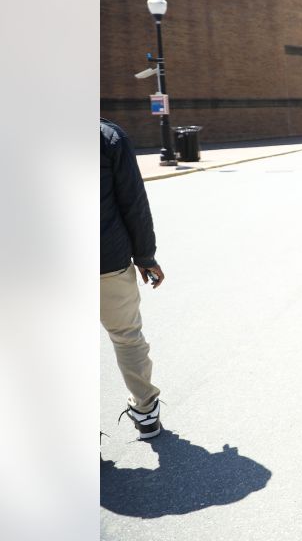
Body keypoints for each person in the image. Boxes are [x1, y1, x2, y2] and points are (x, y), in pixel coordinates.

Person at [101, 119, 168, 441]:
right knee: (127, 336)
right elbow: (133, 203)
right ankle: (146, 410)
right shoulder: (108, 136)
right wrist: (145, 256)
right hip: (107, 260)